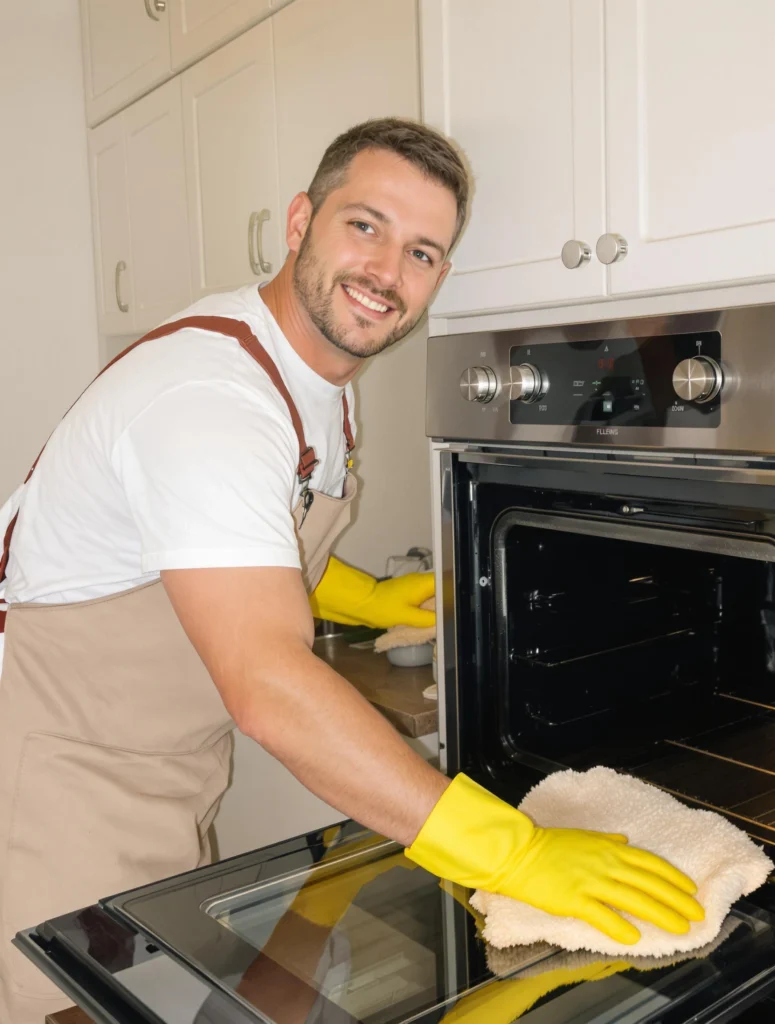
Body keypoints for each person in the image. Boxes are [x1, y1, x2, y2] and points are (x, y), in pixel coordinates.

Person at [0, 118, 704, 1023]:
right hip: (56, 763)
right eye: (363, 225)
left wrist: (363, 596)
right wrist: (513, 855)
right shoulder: (208, 401)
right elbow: (267, 684)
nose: (385, 273)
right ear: (299, 221)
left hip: (158, 753)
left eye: (419, 251)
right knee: (75, 1005)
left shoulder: (315, 381)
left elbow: (228, 546)